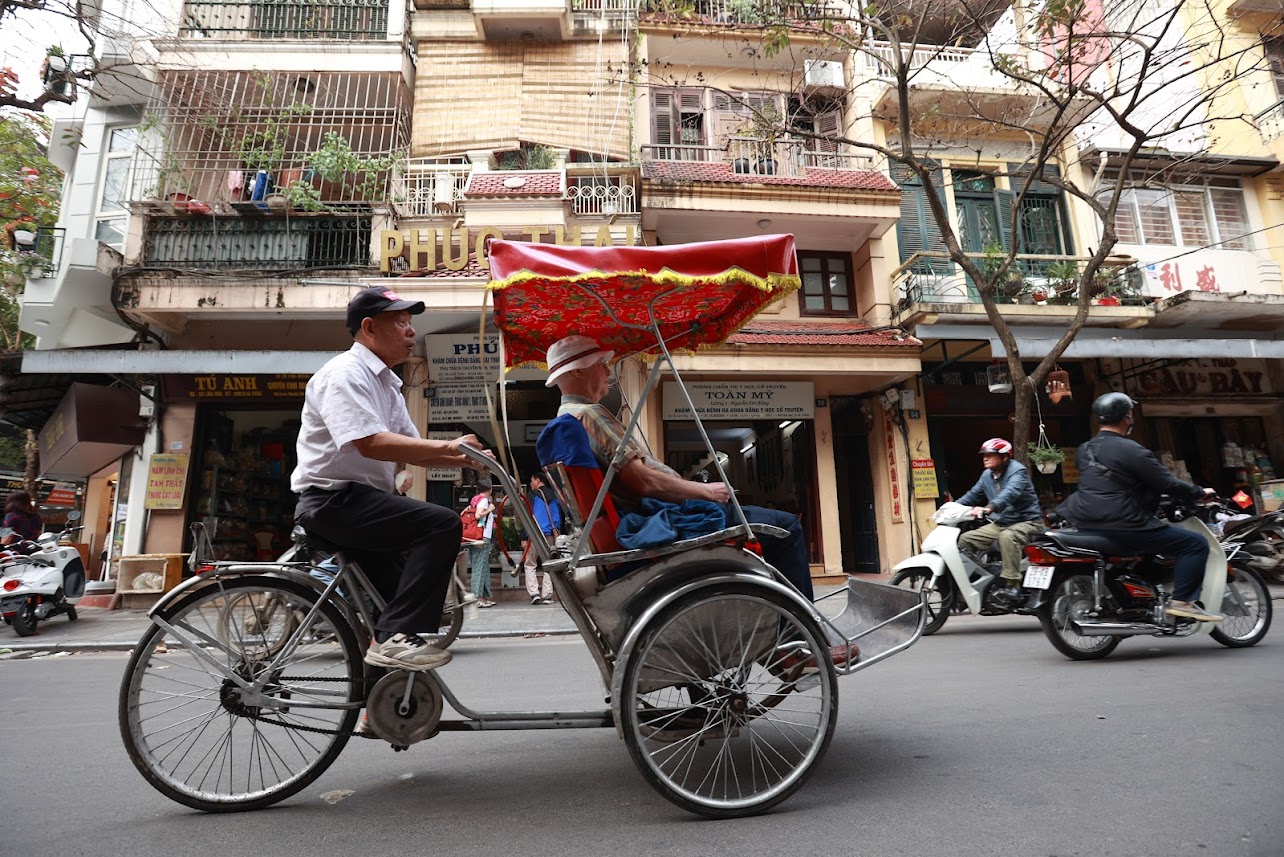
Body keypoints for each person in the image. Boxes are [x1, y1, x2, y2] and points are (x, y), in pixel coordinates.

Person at [544, 335, 860, 670]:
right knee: (785, 528)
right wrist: (704, 491)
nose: (608, 371)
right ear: (577, 372)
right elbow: (645, 481)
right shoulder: (591, 416)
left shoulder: (571, 420)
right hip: (655, 521)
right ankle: (797, 645)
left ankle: (774, 635)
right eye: (600, 365)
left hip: (632, 522)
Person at [291, 285, 484, 671]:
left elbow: (407, 448)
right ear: (369, 327)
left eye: (410, 322)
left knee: (391, 604)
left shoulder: (389, 385)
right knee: (440, 524)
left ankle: (378, 705)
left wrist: (468, 458)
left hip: (359, 503)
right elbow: (371, 443)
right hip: (334, 502)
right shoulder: (346, 373)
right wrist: (449, 450)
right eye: (400, 322)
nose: (411, 331)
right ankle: (395, 637)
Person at [1057, 392, 1220, 621]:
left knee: (1149, 551)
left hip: (1086, 523)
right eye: (1130, 414)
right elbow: (1167, 483)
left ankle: (1143, 596)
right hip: (1126, 524)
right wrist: (1199, 492)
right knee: (1194, 544)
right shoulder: (1132, 450)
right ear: (1127, 418)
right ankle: (1182, 602)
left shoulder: (1085, 449)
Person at [955, 438, 1046, 599]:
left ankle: (1012, 584)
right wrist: (949, 508)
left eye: (990, 454)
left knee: (1008, 537)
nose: (985, 458)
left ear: (1005, 457)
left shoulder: (1018, 472)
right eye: (984, 455)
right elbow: (972, 495)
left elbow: (1009, 493)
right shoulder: (987, 475)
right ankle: (983, 578)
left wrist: (989, 507)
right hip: (1001, 523)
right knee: (964, 540)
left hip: (1028, 523)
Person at [524, 473, 562, 604]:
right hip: (549, 535)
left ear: (538, 480)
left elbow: (527, 516)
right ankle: (548, 595)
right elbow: (557, 516)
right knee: (549, 564)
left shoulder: (532, 495)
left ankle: (534, 593)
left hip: (534, 534)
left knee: (530, 564)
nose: (530, 483)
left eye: (532, 480)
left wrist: (524, 536)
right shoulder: (554, 495)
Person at [465, 480, 497, 608]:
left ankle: (483, 596)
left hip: (475, 536)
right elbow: (478, 515)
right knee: (479, 566)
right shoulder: (484, 500)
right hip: (482, 536)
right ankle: (477, 597)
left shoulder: (474, 499)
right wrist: (489, 509)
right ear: (490, 489)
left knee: (482, 566)